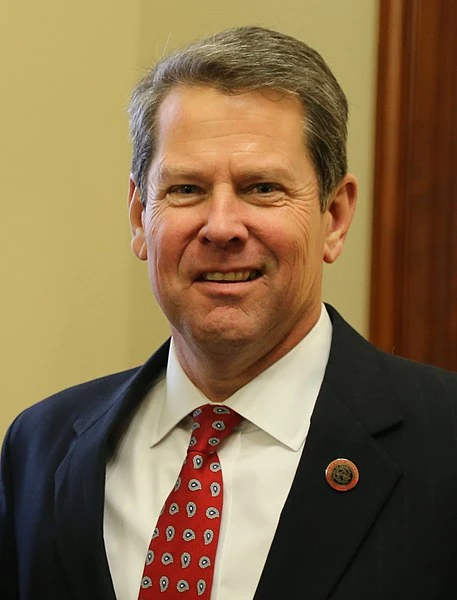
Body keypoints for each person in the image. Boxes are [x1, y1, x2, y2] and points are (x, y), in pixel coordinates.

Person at [1, 25, 457, 600]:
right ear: (140, 218)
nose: (221, 227)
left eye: (262, 188)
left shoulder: (445, 443)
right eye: (186, 189)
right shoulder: (39, 449)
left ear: (335, 218)